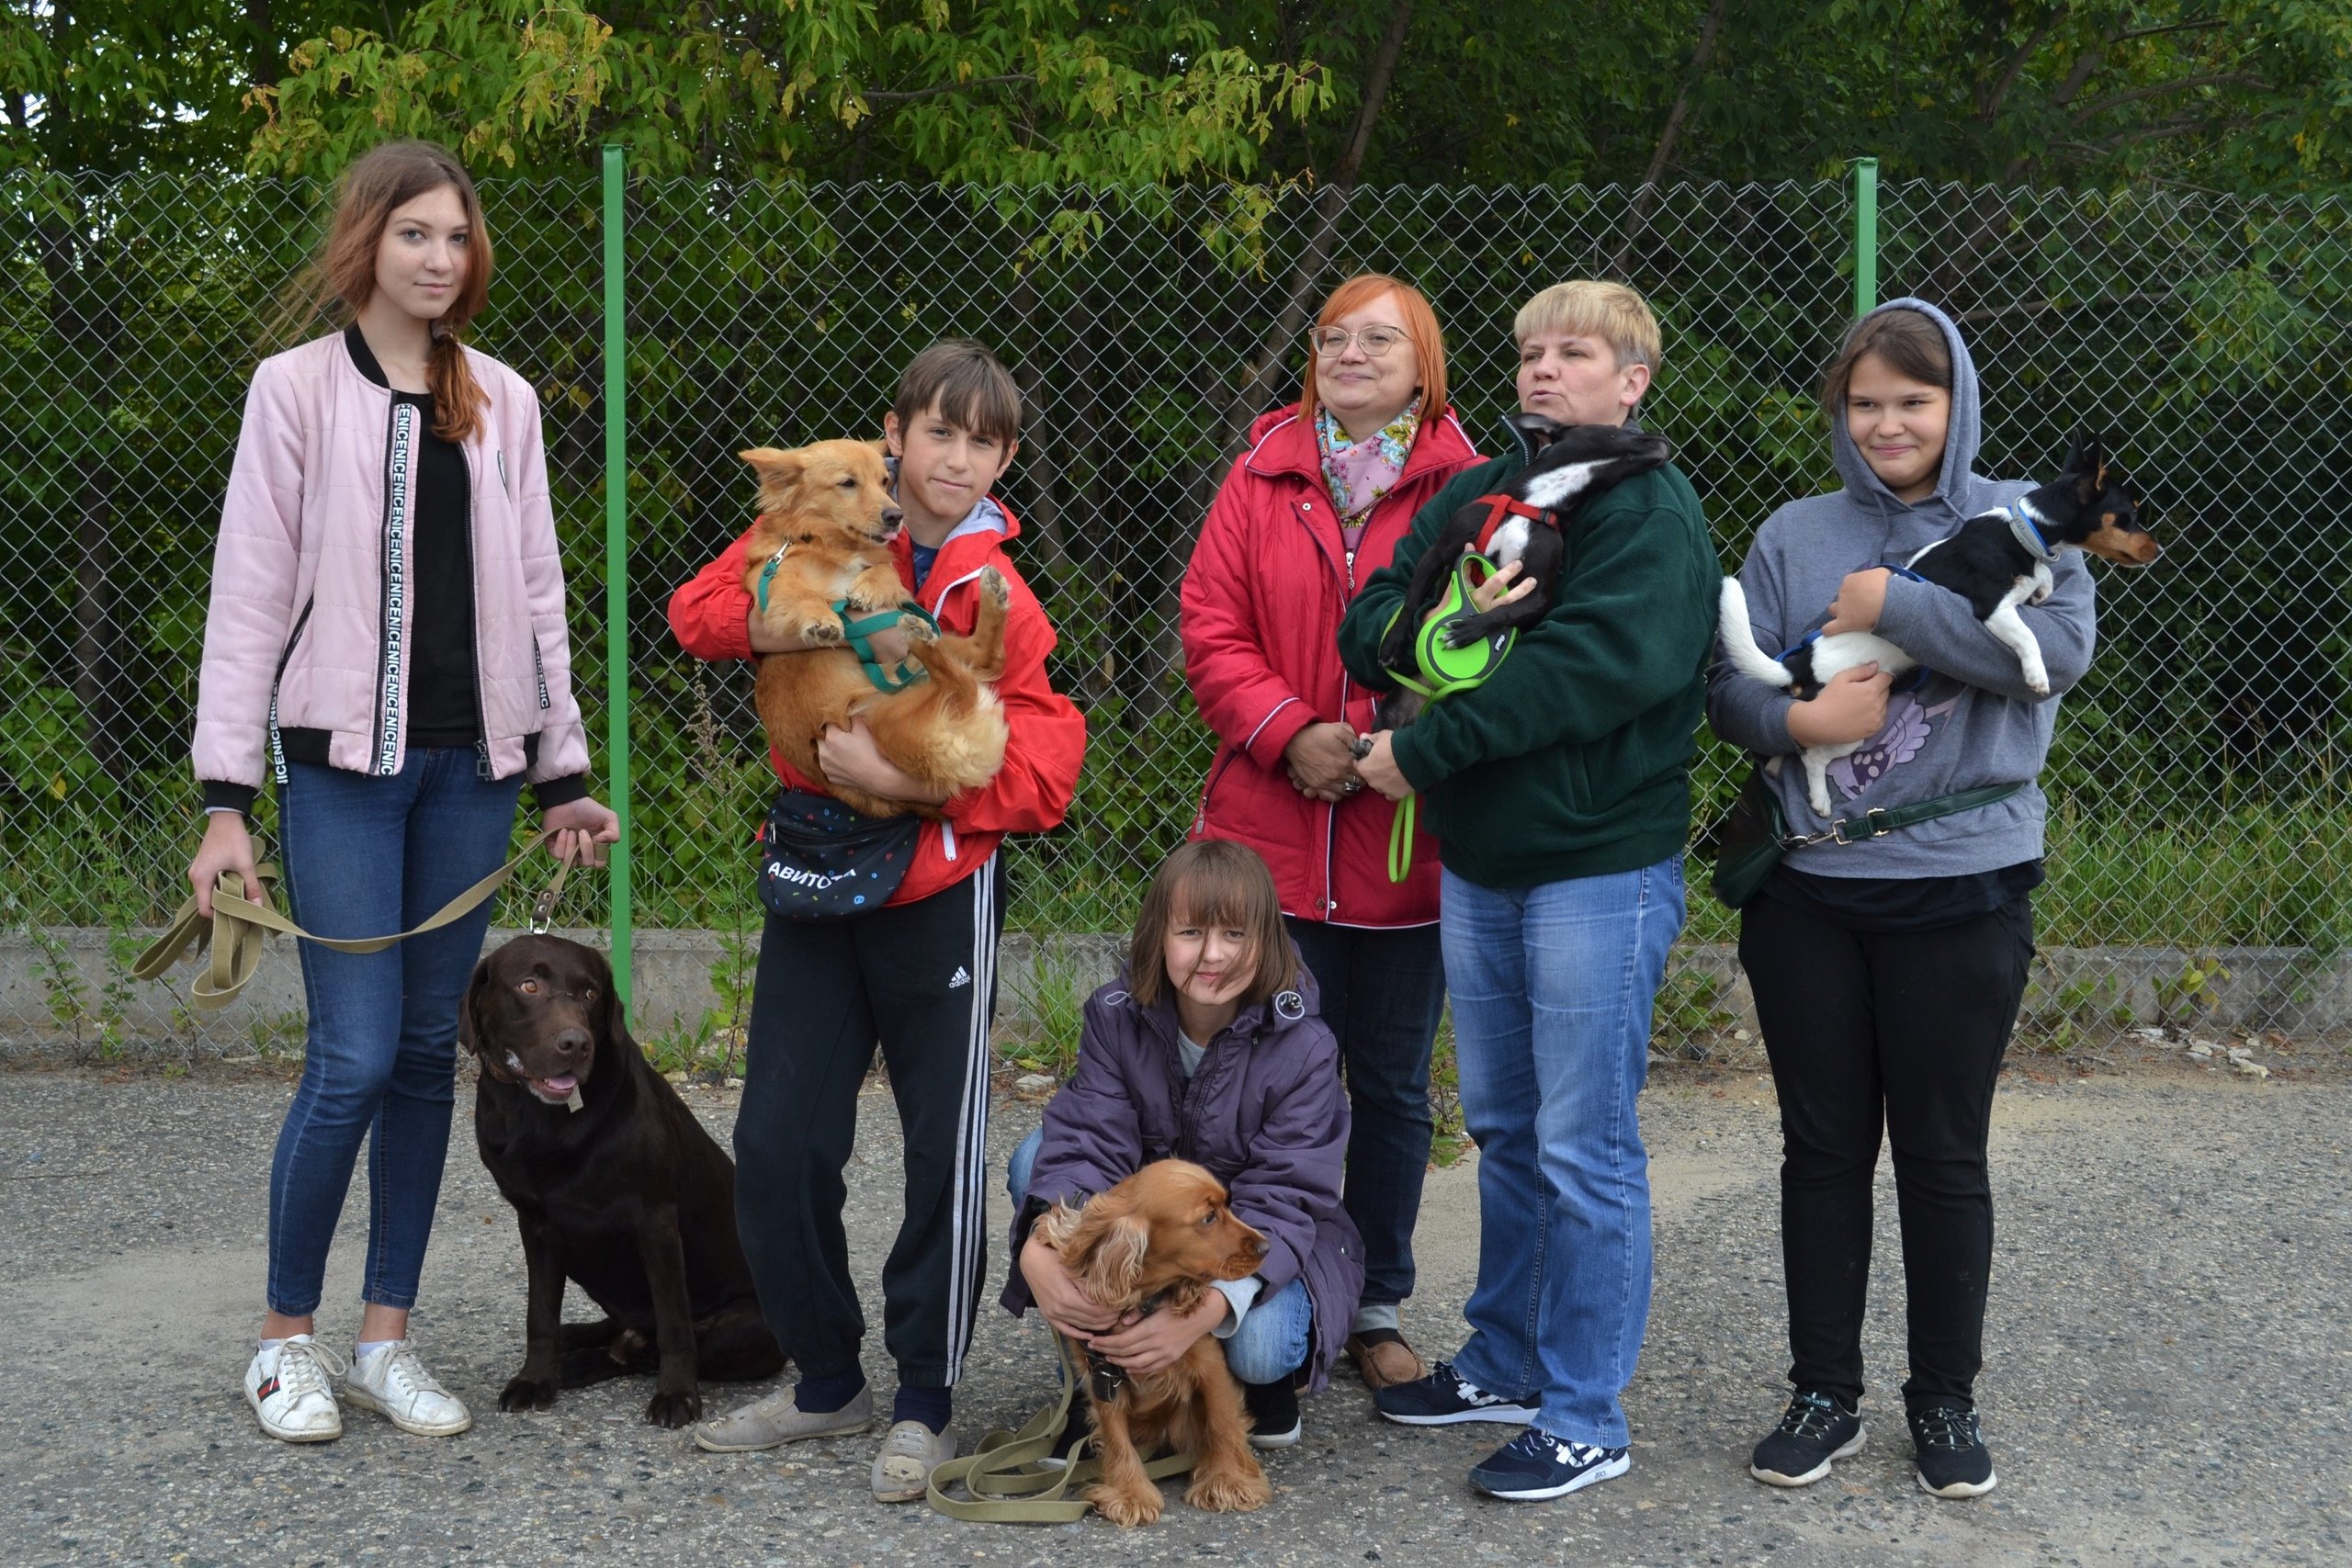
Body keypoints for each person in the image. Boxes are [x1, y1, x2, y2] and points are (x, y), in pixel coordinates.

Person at [189, 139, 620, 1444]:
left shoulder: (504, 399)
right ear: (366, 240)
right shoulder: (294, 392)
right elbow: (250, 593)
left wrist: (565, 773)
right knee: (354, 1056)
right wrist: (226, 800)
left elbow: (540, 589)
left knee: (433, 1064)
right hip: (342, 775)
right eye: (415, 234)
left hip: (471, 773)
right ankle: (283, 1341)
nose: (440, 259)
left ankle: (388, 1336)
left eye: (456, 238)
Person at [668, 340, 1086, 1502]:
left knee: (941, 1156)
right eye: (935, 434)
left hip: (938, 888)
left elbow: (1049, 772)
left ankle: (924, 1401)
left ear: (1004, 458)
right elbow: (697, 612)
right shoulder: (831, 524)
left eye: (981, 441)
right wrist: (810, 633)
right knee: (777, 1143)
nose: (953, 459)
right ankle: (824, 1381)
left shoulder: (998, 592)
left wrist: (915, 787)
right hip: (815, 873)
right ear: (893, 439)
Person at [1337, 280, 1716, 1502]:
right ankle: (1503, 1357)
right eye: (1530, 353)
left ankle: (1586, 1410)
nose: (1544, 371)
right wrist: (1425, 640)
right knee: (1501, 1126)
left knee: (1584, 1143)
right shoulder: (1482, 488)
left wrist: (1427, 741)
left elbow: (1591, 668)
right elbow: (1377, 613)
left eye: (1575, 353)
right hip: (1484, 857)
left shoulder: (1650, 509)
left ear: (1634, 378)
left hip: (1596, 863)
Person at [1710, 299, 2086, 1500]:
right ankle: (1824, 1389)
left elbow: (2055, 661)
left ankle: (1945, 1397)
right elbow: (1730, 687)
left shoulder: (2027, 521)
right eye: (1865, 402)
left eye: (1912, 402)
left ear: (1955, 404)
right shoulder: (1793, 532)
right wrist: (1796, 721)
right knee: (1821, 1148)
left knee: (1941, 1149)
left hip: (1964, 883)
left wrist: (1890, 605)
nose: (1887, 423)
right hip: (1812, 887)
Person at [1180, 272, 1481, 1389]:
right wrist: (1287, 730)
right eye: (1331, 337)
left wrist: (1398, 744)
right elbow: (1211, 627)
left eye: (1378, 339)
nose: (1349, 353)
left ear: (1423, 363)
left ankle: (1377, 1303)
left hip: (1402, 843)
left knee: (1392, 1084)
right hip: (1270, 844)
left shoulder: (1471, 488)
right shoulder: (1258, 474)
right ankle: (1267, 1290)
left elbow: (1485, 642)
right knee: (1253, 1080)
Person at [1002, 839, 1364, 1450]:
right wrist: (1040, 1242)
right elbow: (1088, 1140)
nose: (1213, 955)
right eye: (1191, 932)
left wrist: (1203, 1313)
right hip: (1163, 1234)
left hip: (1258, 1237)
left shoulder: (1304, 1045)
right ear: (1157, 936)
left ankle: (1256, 1387)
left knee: (1261, 1344)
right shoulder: (1115, 1016)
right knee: (1035, 1159)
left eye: (1234, 934)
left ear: (1266, 942)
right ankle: (1104, 1368)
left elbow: (1287, 1192)